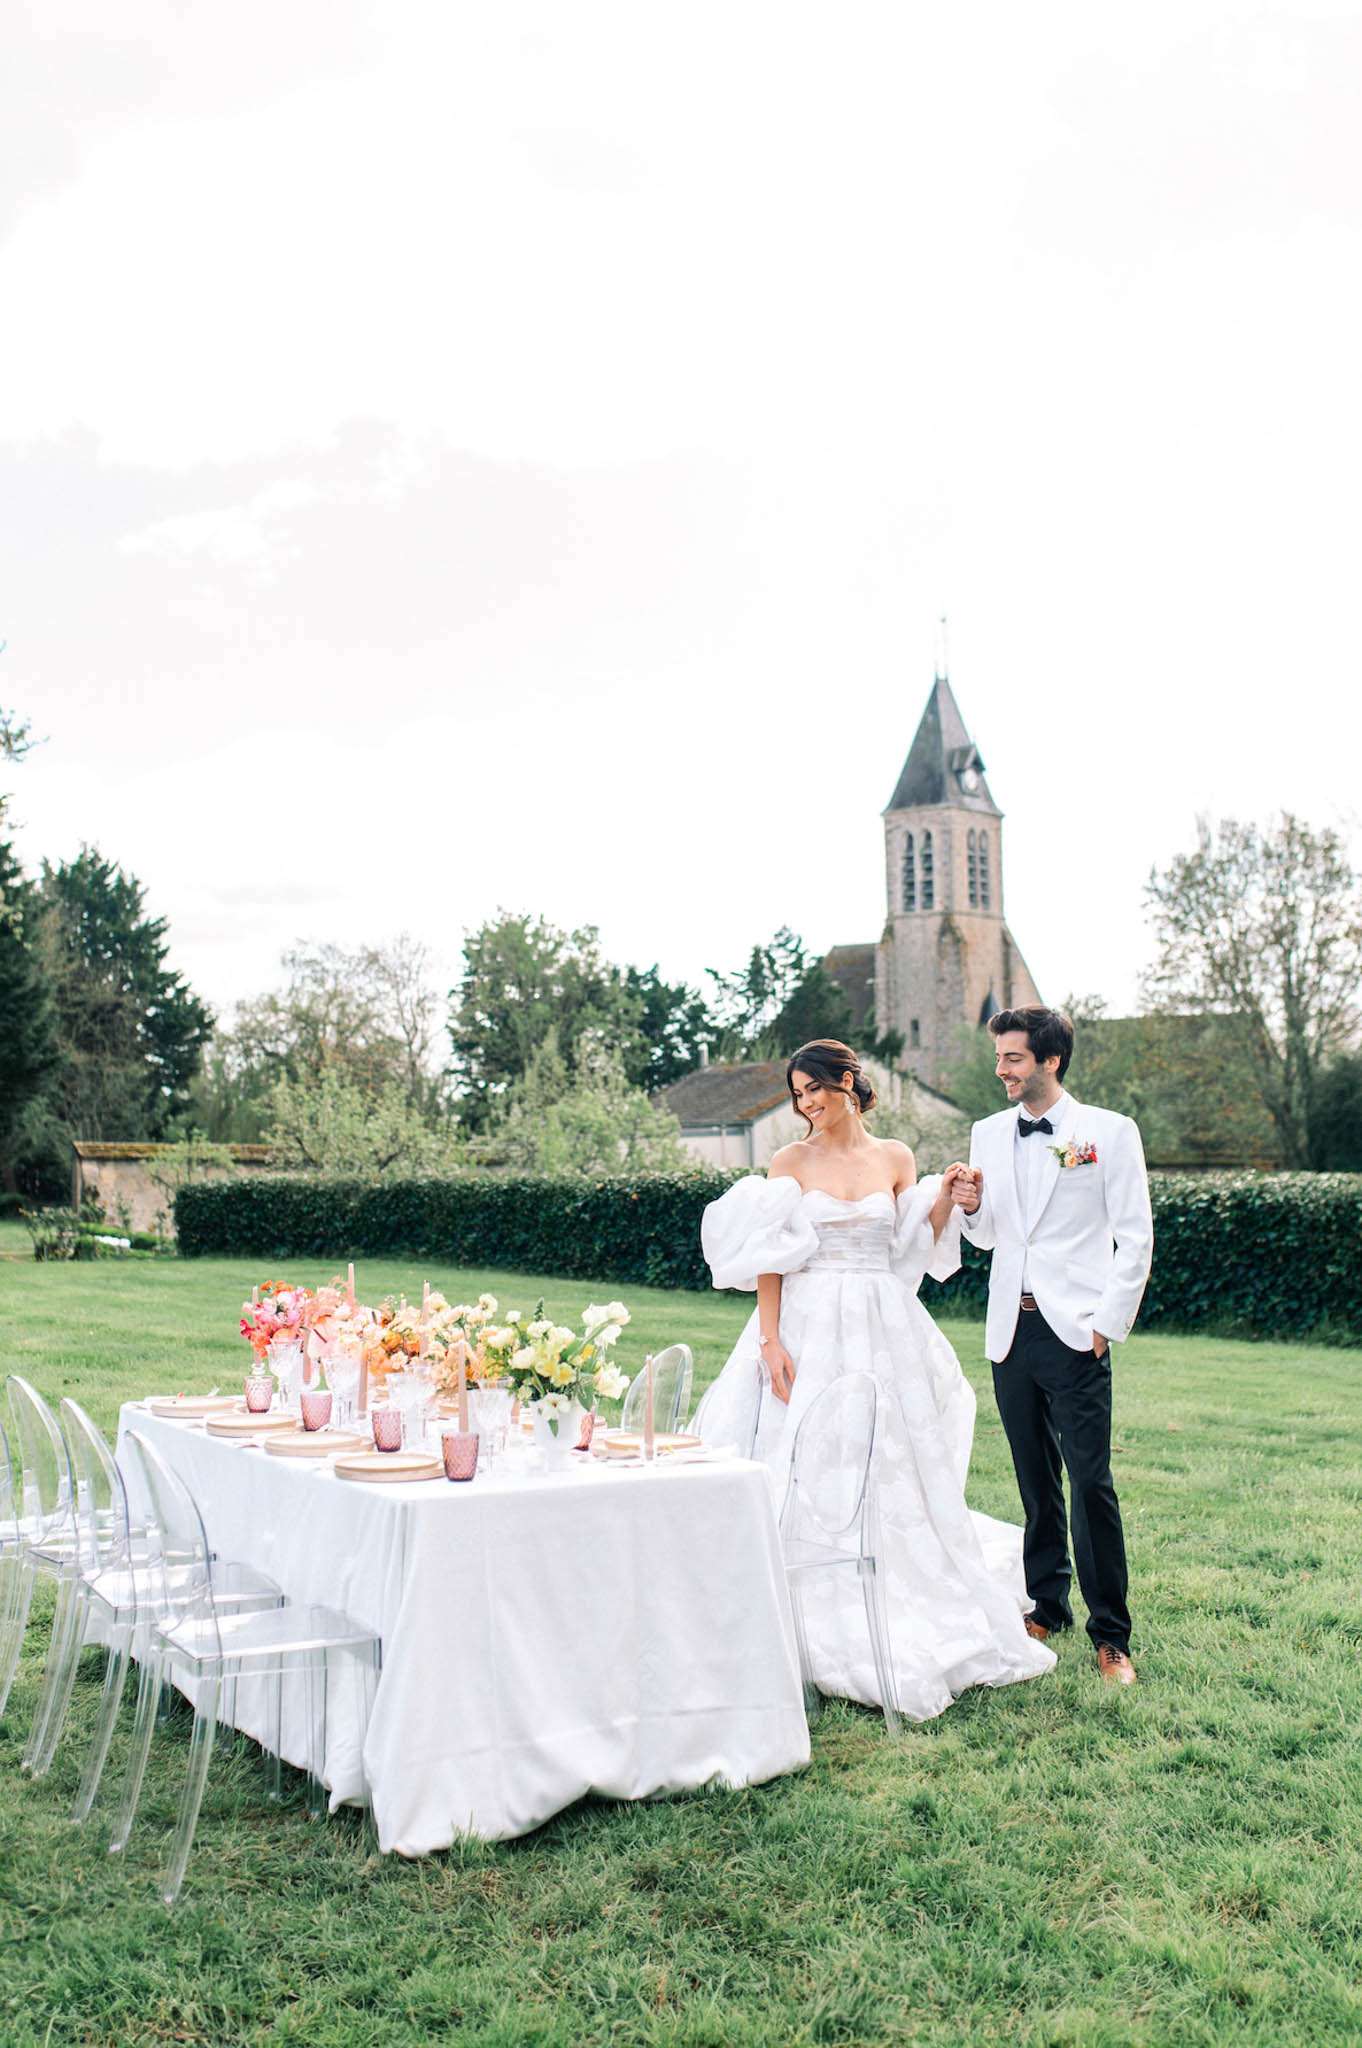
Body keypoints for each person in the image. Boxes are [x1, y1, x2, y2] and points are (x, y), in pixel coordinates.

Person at [699, 1038, 1055, 1723]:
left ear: (848, 1084)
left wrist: (945, 1199)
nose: (807, 1104)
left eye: (816, 1090)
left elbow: (906, 1249)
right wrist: (770, 1341)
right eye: (798, 1093)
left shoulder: (895, 1158)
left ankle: (900, 1573)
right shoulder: (789, 1161)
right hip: (805, 1322)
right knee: (807, 1451)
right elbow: (772, 1258)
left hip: (881, 1319)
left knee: (890, 1454)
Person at [950, 1006, 1153, 1686]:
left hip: (1076, 1333)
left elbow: (1136, 1236)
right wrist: (971, 1206)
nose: (1001, 1069)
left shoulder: (1107, 1133)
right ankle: (1047, 1606)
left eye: (1012, 1058)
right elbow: (987, 1238)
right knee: (1036, 1482)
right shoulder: (986, 1133)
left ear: (1050, 1060)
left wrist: (1105, 1324)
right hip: (1012, 1331)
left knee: (1091, 1484)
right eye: (1000, 1057)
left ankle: (1112, 1638)